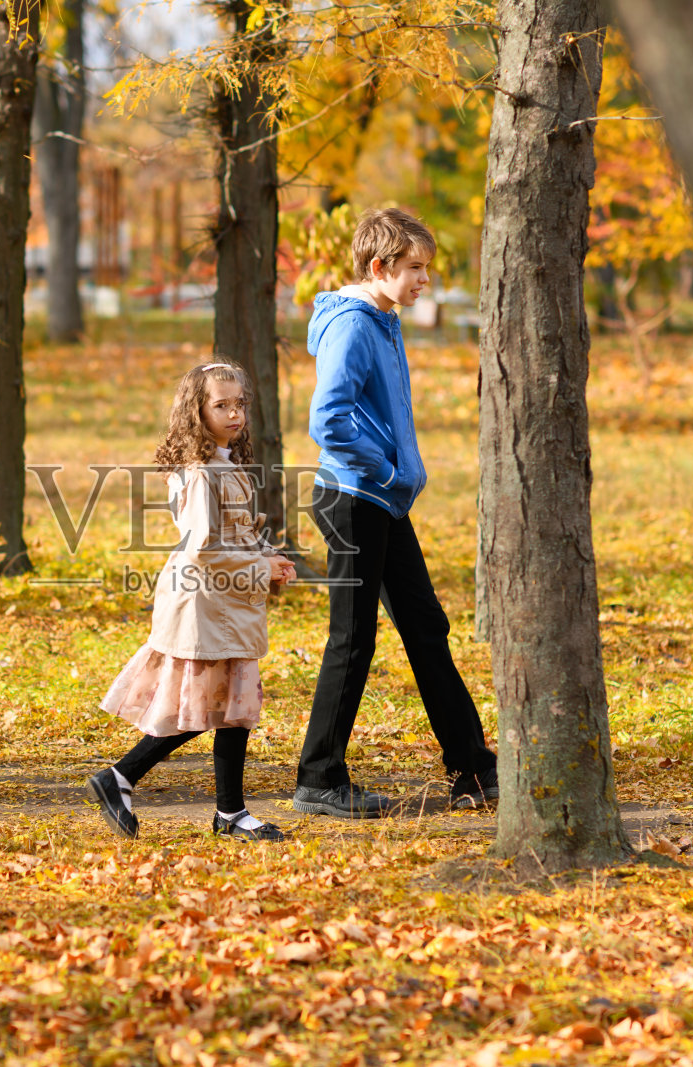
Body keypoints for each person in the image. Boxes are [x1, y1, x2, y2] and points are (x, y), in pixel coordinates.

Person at [293, 207, 498, 819]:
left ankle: (474, 770)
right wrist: (385, 469)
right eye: (414, 269)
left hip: (380, 500)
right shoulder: (355, 327)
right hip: (355, 498)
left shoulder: (383, 319)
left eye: (427, 270)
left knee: (427, 628)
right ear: (378, 266)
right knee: (352, 640)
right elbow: (326, 418)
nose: (424, 281)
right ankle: (319, 778)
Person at [87, 362, 297, 841]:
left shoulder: (222, 464)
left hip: (224, 603)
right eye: (221, 405)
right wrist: (257, 568)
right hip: (206, 605)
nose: (234, 413)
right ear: (196, 411)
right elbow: (202, 549)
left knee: (227, 707)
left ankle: (228, 813)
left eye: (239, 403)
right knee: (214, 705)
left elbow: (230, 535)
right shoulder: (203, 472)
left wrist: (267, 555)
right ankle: (121, 778)